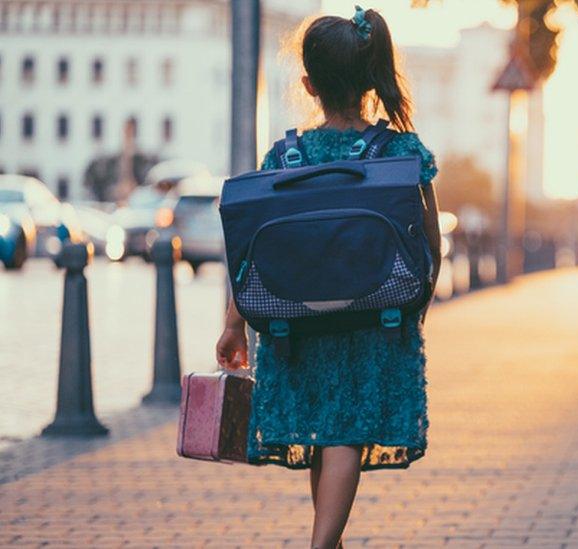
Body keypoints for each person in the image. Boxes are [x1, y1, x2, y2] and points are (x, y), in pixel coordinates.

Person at [214, 6, 440, 548]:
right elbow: (430, 243)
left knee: (324, 434)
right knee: (345, 434)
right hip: (375, 319)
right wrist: (417, 308)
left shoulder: (286, 155)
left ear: (309, 84)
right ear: (369, 79)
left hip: (298, 324)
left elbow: (251, 254)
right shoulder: (401, 153)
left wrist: (234, 325)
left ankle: (325, 544)